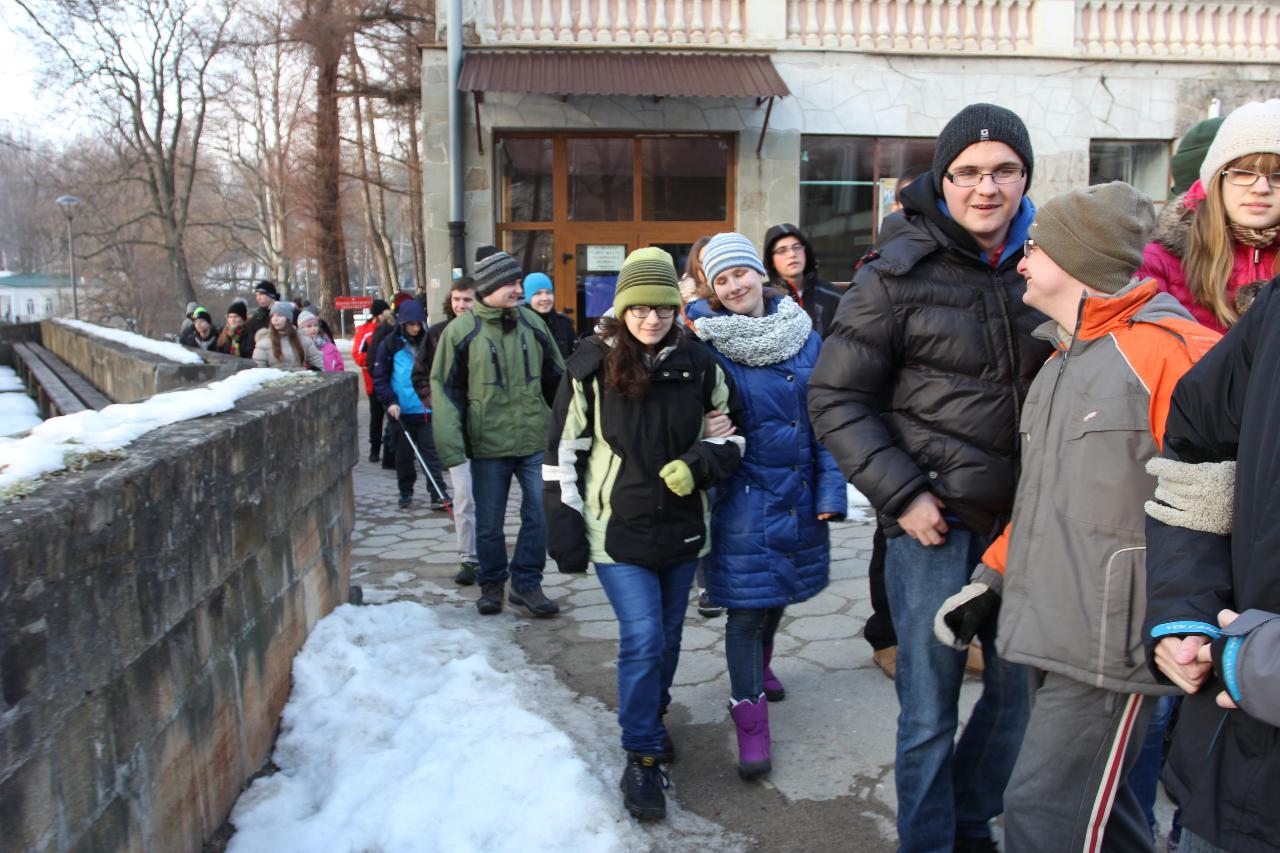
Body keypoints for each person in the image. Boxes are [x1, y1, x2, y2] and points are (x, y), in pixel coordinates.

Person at [934, 182, 1220, 851]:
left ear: (1077, 258)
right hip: (1056, 625)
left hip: (1115, 638)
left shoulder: (1176, 351)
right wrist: (990, 579)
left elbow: (1218, 501)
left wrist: (1192, 618)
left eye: (1035, 248)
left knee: (1042, 814)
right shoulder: (1063, 359)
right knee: (1101, 813)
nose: (1022, 261)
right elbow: (1045, 499)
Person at [809, 102, 1051, 853]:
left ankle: (969, 822)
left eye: (1004, 170)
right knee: (928, 712)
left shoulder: (1050, 266)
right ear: (942, 180)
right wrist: (904, 495)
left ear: (1026, 177)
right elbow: (835, 397)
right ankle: (928, 841)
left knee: (1018, 699)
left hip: (1028, 526)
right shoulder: (894, 272)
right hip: (934, 528)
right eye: (968, 172)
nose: (987, 187)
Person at [543, 246, 744, 820]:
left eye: (662, 308)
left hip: (682, 528)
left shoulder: (701, 365)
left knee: (670, 639)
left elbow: (733, 438)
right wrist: (565, 532)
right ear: (622, 309)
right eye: (639, 309)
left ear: (676, 309)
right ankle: (642, 753)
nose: (651, 319)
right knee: (643, 637)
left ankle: (650, 718)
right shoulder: (591, 367)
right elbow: (561, 455)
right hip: (616, 530)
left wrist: (700, 461)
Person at [693, 233, 846, 780]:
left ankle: (761, 665)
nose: (734, 286)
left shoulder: (806, 336)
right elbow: (681, 416)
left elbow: (827, 419)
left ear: (760, 273)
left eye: (740, 272)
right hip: (741, 499)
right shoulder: (706, 346)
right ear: (713, 291)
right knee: (747, 607)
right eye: (721, 280)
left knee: (781, 593)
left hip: (798, 495)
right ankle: (750, 720)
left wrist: (830, 492)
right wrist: (702, 427)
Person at [1141, 274, 1280, 853]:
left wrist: (1265, 665)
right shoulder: (1276, 307)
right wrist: (1186, 611)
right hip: (1229, 769)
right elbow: (1198, 448)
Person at [430, 248, 565, 618]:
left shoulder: (533, 324)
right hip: (488, 445)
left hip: (535, 440)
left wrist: (569, 430)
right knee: (489, 523)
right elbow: (444, 390)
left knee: (541, 513)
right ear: (490, 287)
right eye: (512, 283)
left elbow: (558, 378)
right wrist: (451, 448)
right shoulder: (461, 331)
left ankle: (526, 583)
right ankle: (491, 586)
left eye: (519, 282)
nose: (519, 289)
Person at [1136, 99, 1280, 334]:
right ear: (1217, 181)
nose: (1261, 188)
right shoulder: (1158, 263)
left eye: (1278, 175)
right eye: (1243, 173)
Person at [413, 276, 480, 584]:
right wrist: (437, 404)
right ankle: (469, 558)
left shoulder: (487, 332)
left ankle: (490, 556)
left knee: (489, 499)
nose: (461, 305)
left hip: (488, 429)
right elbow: (420, 375)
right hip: (455, 429)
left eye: (467, 299)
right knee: (464, 497)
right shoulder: (437, 334)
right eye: (456, 299)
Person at [373, 299, 449, 511]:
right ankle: (405, 492)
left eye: (418, 324)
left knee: (431, 455)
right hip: (401, 411)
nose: (415, 328)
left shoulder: (429, 342)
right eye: (411, 324)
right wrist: (390, 401)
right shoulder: (390, 345)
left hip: (427, 410)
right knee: (404, 457)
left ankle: (438, 493)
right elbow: (380, 377)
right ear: (402, 324)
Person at [761, 223, 843, 336]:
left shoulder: (833, 296)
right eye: (782, 250)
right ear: (771, 261)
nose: (792, 254)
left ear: (806, 252)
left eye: (796, 247)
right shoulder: (762, 299)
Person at [353, 299, 392, 463]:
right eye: (385, 312)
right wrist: (374, 362)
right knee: (376, 417)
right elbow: (357, 354)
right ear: (379, 314)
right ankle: (374, 450)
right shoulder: (365, 331)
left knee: (393, 417)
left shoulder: (391, 328)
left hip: (390, 380)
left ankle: (391, 450)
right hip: (373, 381)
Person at [252, 302, 324, 371]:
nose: (275, 319)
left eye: (279, 315)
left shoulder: (304, 340)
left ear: (288, 319)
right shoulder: (263, 343)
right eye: (272, 316)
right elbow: (258, 371)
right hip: (274, 379)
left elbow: (318, 365)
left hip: (300, 378)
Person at [523, 272, 577, 359]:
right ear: (528, 298)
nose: (545, 298)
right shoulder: (520, 324)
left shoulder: (564, 324)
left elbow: (574, 358)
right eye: (538, 293)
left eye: (548, 292)